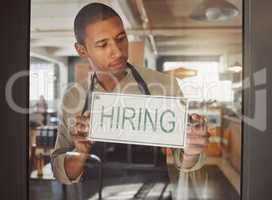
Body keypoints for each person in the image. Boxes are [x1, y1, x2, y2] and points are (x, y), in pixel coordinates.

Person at [51, 2, 208, 196]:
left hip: (154, 192)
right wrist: (80, 151)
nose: (117, 51)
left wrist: (191, 150)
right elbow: (61, 173)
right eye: (103, 44)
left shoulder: (166, 86)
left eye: (121, 38)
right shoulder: (73, 97)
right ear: (82, 50)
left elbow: (184, 162)